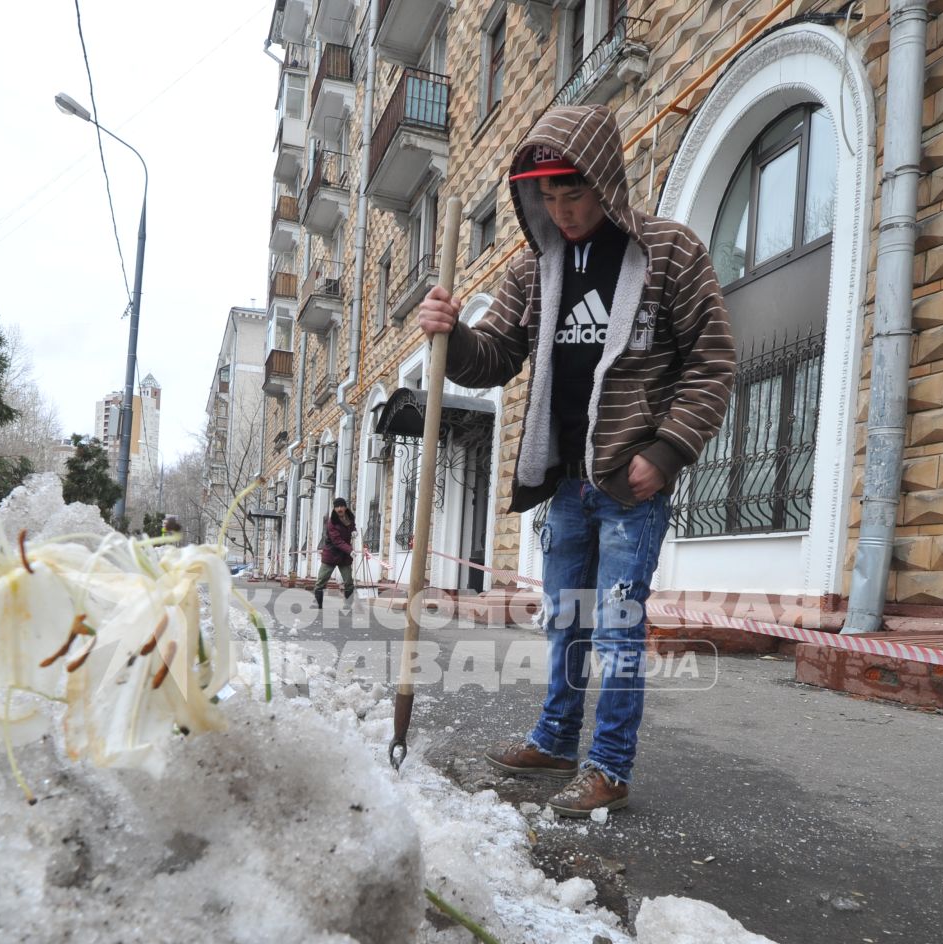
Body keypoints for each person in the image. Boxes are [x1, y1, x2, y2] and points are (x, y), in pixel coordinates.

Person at [416, 104, 733, 818]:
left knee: (619, 628)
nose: (560, 211)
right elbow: (493, 356)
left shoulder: (670, 255)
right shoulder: (537, 272)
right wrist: (451, 333)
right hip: (566, 483)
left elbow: (712, 364)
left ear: (607, 183)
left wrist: (667, 450)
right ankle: (557, 738)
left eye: (574, 195)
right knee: (566, 621)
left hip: (630, 484)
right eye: (546, 198)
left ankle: (610, 766)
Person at [313, 496, 357, 607]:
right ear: (334, 509)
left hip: (344, 556)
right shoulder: (331, 522)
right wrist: (350, 550)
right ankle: (319, 605)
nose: (339, 509)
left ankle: (347, 606)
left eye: (342, 506)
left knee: (348, 582)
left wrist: (354, 531)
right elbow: (337, 541)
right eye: (337, 507)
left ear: (345, 507)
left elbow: (352, 527)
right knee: (321, 581)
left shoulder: (350, 518)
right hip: (331, 554)